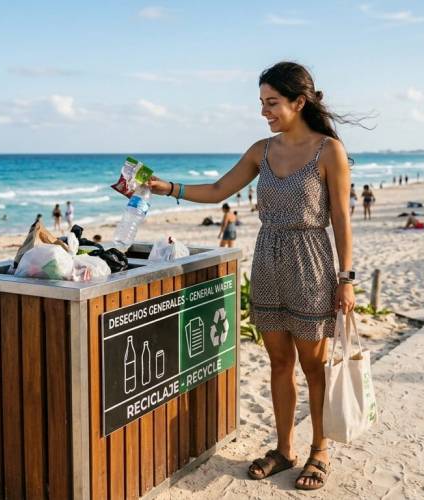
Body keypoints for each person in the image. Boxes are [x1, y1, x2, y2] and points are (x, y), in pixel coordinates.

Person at [148, 61, 355, 491]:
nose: (265, 111)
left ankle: (319, 450)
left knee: (313, 367)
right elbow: (218, 190)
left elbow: (341, 218)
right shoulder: (261, 150)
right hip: (267, 260)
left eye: (273, 103)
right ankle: (284, 449)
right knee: (278, 362)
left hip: (311, 261)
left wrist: (347, 278)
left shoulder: (329, 151)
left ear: (300, 102)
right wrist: (167, 187)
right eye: (262, 103)